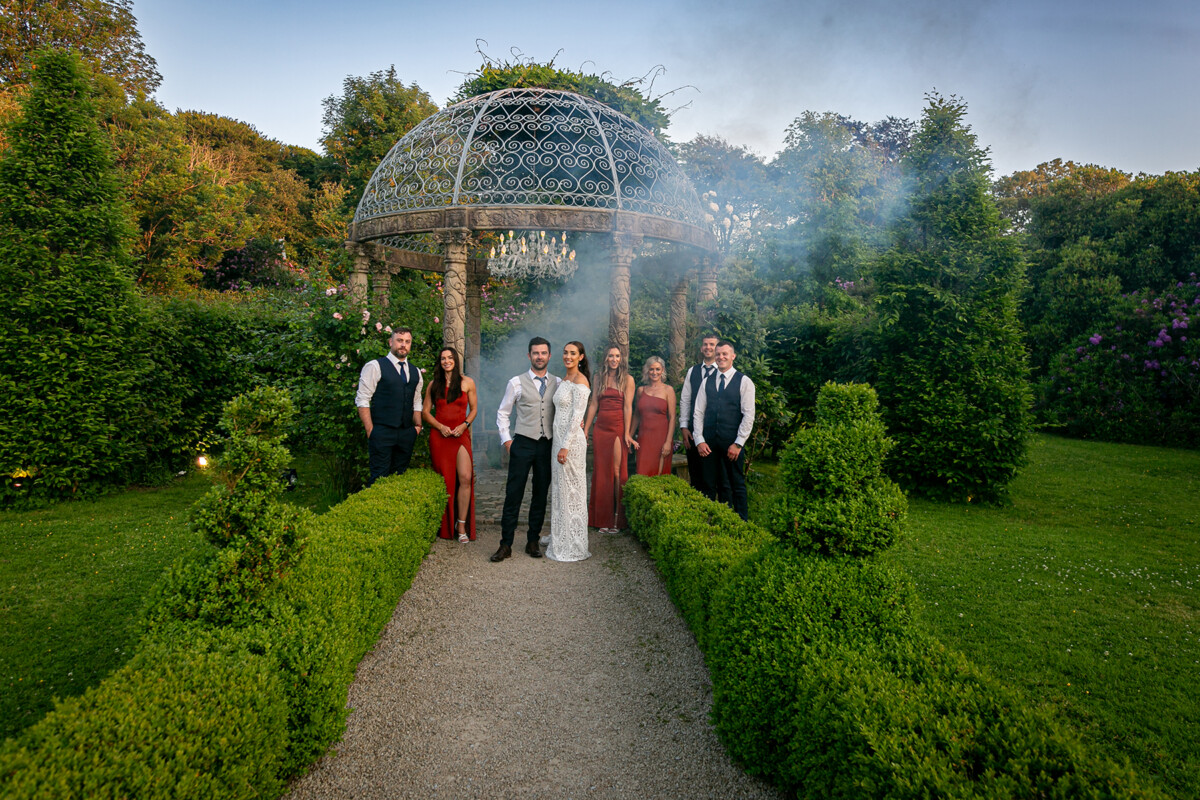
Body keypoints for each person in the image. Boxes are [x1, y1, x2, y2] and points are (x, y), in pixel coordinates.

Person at [493, 337, 559, 562]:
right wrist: (507, 441)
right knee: (514, 494)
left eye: (543, 353)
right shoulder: (516, 382)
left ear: (549, 356)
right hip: (522, 442)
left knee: (540, 494)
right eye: (535, 353)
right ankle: (506, 544)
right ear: (529, 356)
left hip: (546, 444)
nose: (539, 356)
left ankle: (533, 540)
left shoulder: (558, 383)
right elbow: (503, 413)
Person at [693, 339, 756, 521]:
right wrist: (699, 440)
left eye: (724, 354)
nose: (720, 357)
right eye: (718, 354)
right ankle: (709, 522)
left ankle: (741, 523)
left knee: (735, 484)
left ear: (732, 357)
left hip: (732, 444)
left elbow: (748, 415)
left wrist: (738, 444)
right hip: (709, 444)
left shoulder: (744, 382)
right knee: (708, 484)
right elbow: (698, 412)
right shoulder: (707, 382)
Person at [423, 346, 478, 543]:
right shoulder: (433, 385)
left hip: (460, 434)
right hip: (440, 437)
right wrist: (439, 427)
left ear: (455, 360)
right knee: (446, 482)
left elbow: (474, 410)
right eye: (443, 358)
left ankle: (461, 524)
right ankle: (445, 526)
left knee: (465, 477)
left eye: (450, 357)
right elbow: (425, 412)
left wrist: (465, 425)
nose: (446, 361)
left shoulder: (467, 382)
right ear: (440, 362)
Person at [356, 327, 423, 486]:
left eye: (407, 342)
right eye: (400, 340)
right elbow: (363, 399)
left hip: (406, 433)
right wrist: (370, 430)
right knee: (379, 479)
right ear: (391, 342)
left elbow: (416, 400)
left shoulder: (416, 372)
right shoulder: (375, 366)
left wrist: (418, 426)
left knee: (400, 478)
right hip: (382, 432)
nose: (403, 345)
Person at [545, 341, 592, 562]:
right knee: (560, 490)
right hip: (558, 441)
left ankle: (574, 543)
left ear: (581, 357)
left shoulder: (581, 381)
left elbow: (577, 417)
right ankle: (560, 536)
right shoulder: (563, 379)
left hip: (571, 444)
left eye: (573, 353)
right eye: (565, 352)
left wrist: (565, 445)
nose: (568, 356)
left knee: (572, 492)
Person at [584, 345, 636, 533]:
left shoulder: (628, 379)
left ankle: (617, 519)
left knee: (616, 472)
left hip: (617, 428)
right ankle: (602, 519)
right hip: (601, 429)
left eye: (617, 356)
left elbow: (628, 407)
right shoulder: (598, 377)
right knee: (601, 472)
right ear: (605, 358)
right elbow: (594, 404)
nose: (614, 359)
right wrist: (587, 429)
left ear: (621, 359)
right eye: (610, 356)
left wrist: (627, 433)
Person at [678, 333, 719, 494]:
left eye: (712, 344)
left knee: (711, 477)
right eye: (705, 344)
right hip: (692, 431)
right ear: (701, 348)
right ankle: (695, 511)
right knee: (695, 475)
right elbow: (685, 400)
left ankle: (711, 512)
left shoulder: (722, 372)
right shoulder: (692, 371)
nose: (708, 347)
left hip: (713, 431)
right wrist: (684, 426)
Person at [631, 356, 676, 476]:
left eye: (657, 369)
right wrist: (629, 437)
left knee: (659, 475)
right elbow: (636, 415)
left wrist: (668, 441)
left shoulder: (668, 390)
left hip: (661, 438)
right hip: (643, 438)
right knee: (642, 472)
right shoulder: (641, 390)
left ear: (662, 371)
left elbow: (672, 418)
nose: (654, 372)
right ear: (647, 370)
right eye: (651, 369)